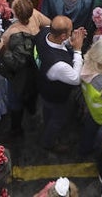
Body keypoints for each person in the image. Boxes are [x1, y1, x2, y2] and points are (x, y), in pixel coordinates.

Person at [0, 0, 48, 135]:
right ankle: (32, 111)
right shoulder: (36, 16)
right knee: (33, 91)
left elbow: (4, 47)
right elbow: (49, 23)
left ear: (16, 13)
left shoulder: (12, 31)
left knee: (15, 98)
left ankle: (16, 128)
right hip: (35, 65)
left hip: (19, 71)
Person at [36, 16, 87, 151]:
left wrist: (72, 40)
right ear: (63, 35)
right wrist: (77, 50)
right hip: (56, 96)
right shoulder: (58, 64)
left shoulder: (45, 32)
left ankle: (47, 124)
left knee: (48, 112)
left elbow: (59, 44)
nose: (72, 32)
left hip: (43, 86)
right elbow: (76, 78)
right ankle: (49, 142)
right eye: (71, 31)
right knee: (57, 119)